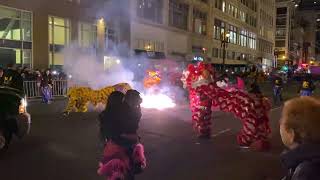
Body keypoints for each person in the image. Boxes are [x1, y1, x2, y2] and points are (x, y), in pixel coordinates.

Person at [280, 97, 320, 180]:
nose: (279, 122)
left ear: (291, 134)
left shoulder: (306, 172)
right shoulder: (309, 158)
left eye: (281, 120)